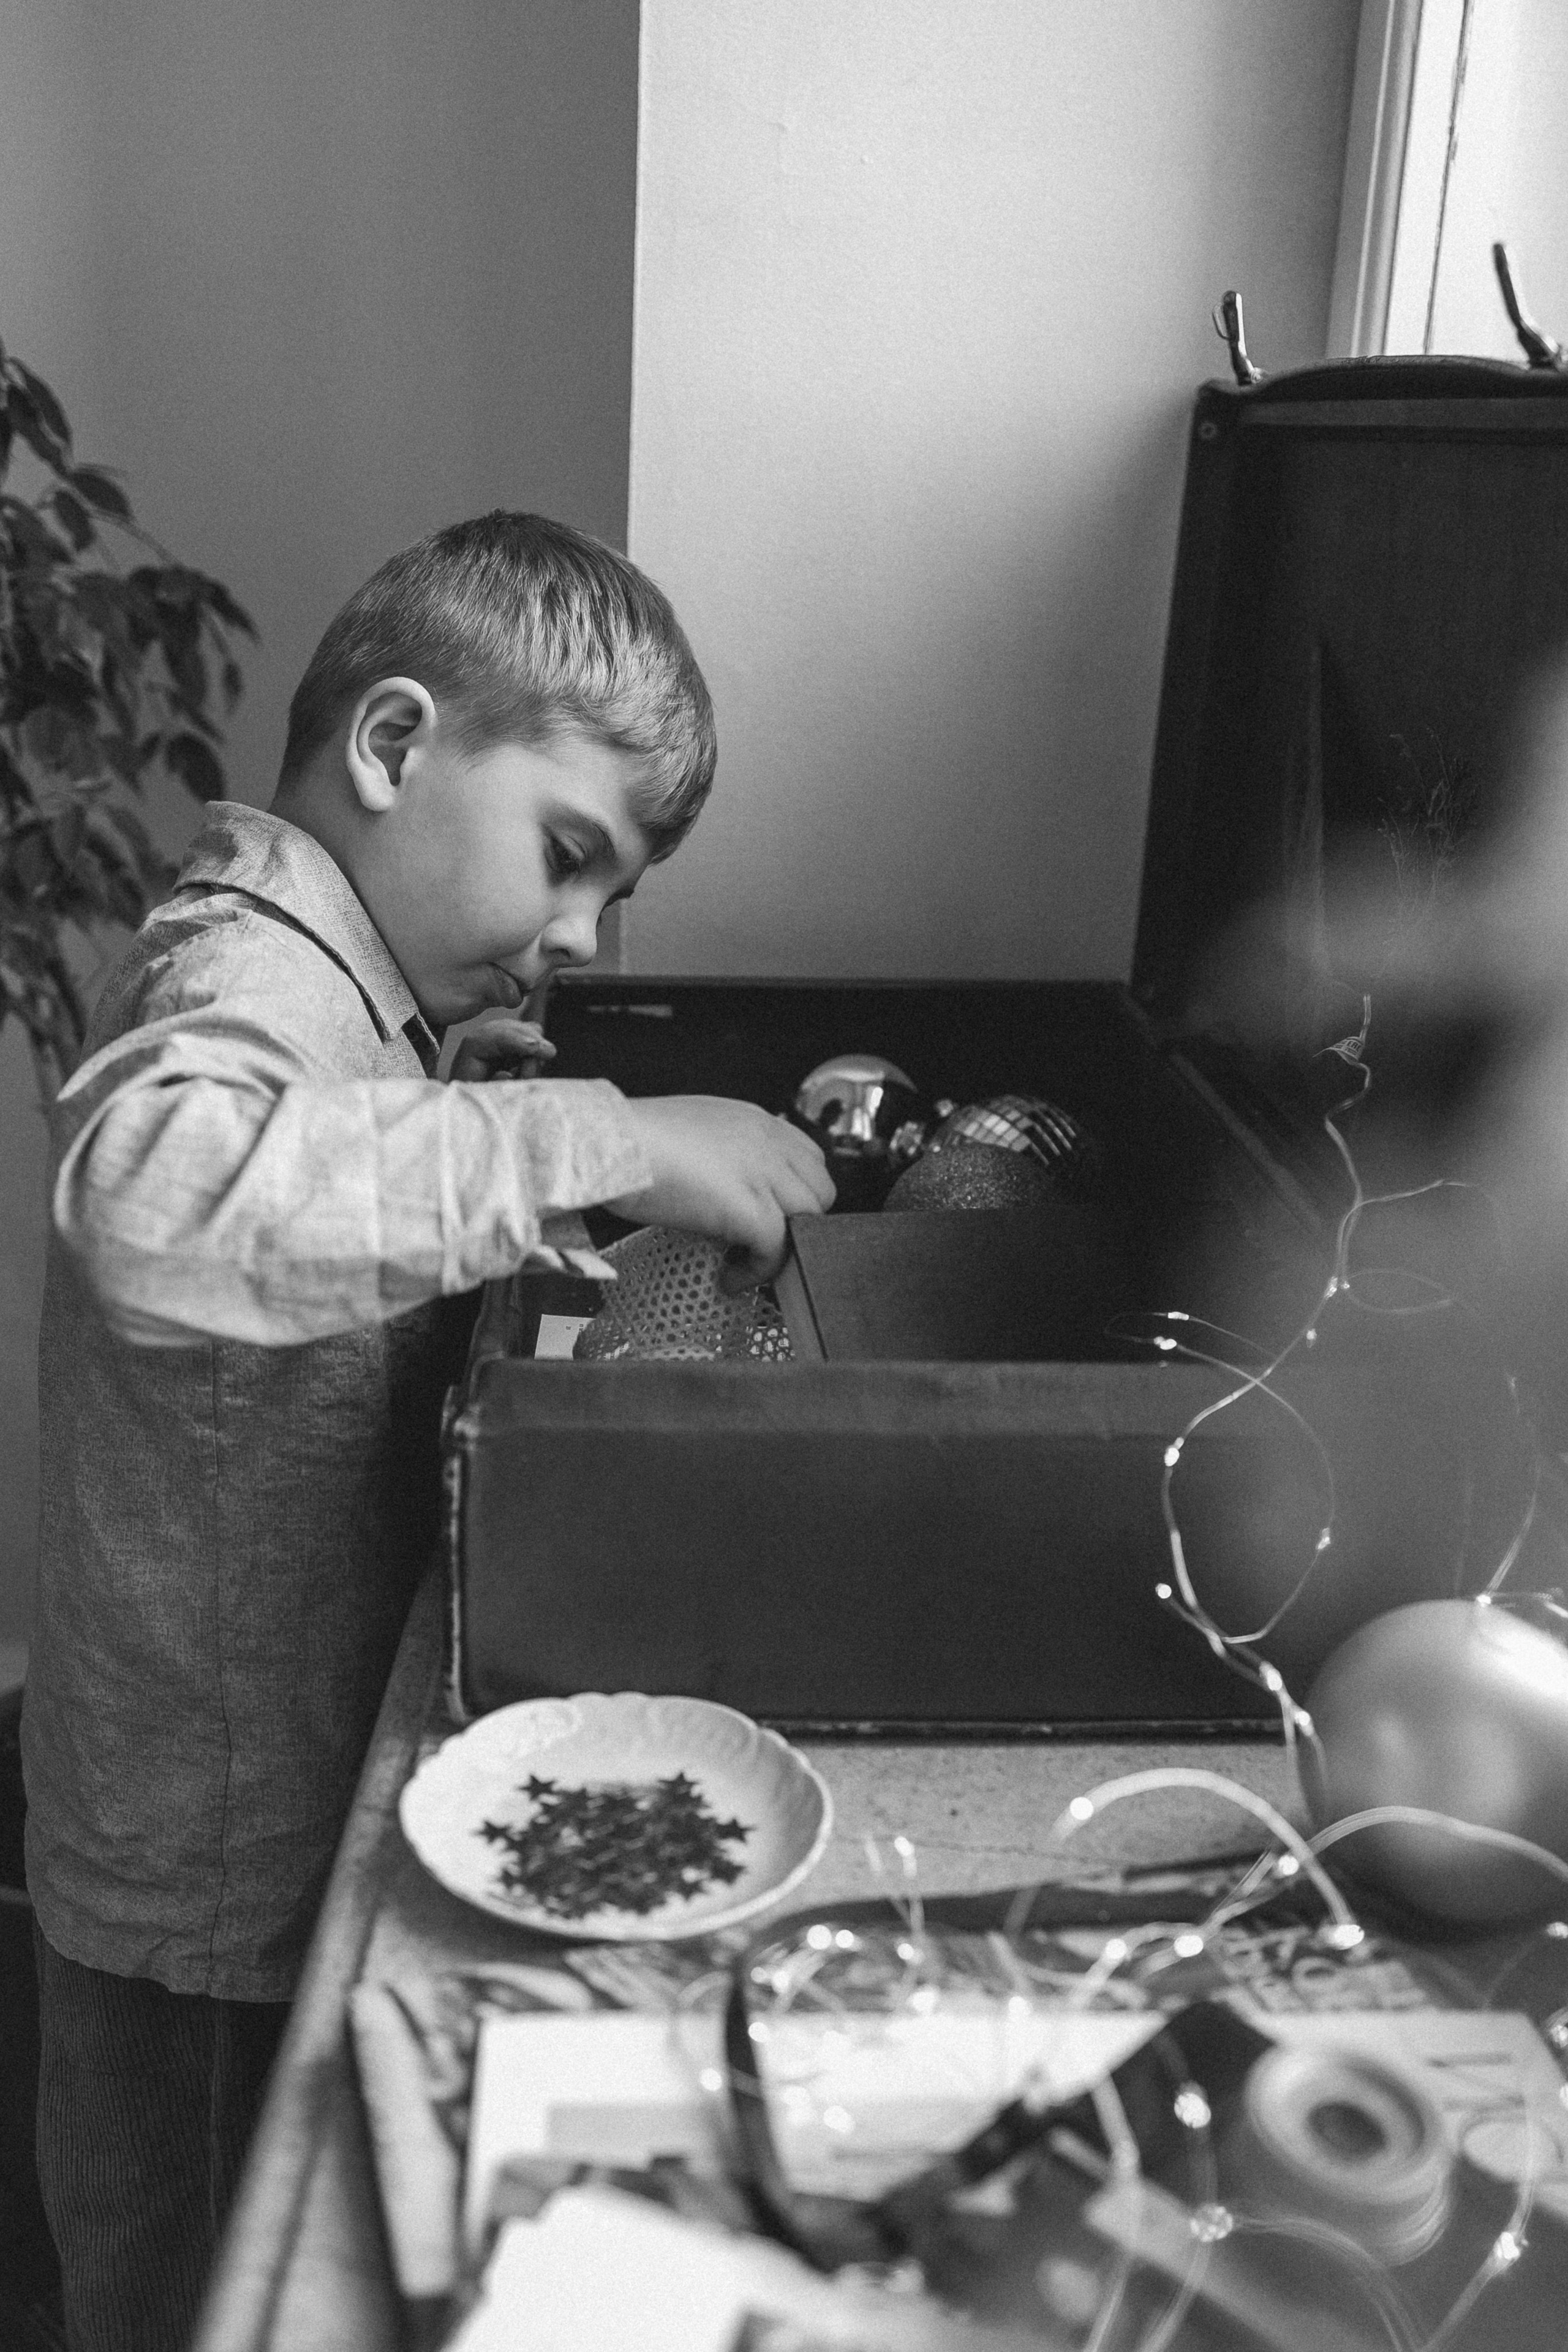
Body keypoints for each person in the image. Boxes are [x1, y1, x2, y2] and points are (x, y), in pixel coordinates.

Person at [20, 511, 833, 2350]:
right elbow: (156, 1195)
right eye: (570, 857)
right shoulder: (238, 967)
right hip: (202, 1886)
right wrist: (606, 1138)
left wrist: (456, 1095)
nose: (577, 934)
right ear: (394, 748)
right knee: (212, 2287)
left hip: (258, 1813)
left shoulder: (355, 998)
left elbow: (331, 1194)